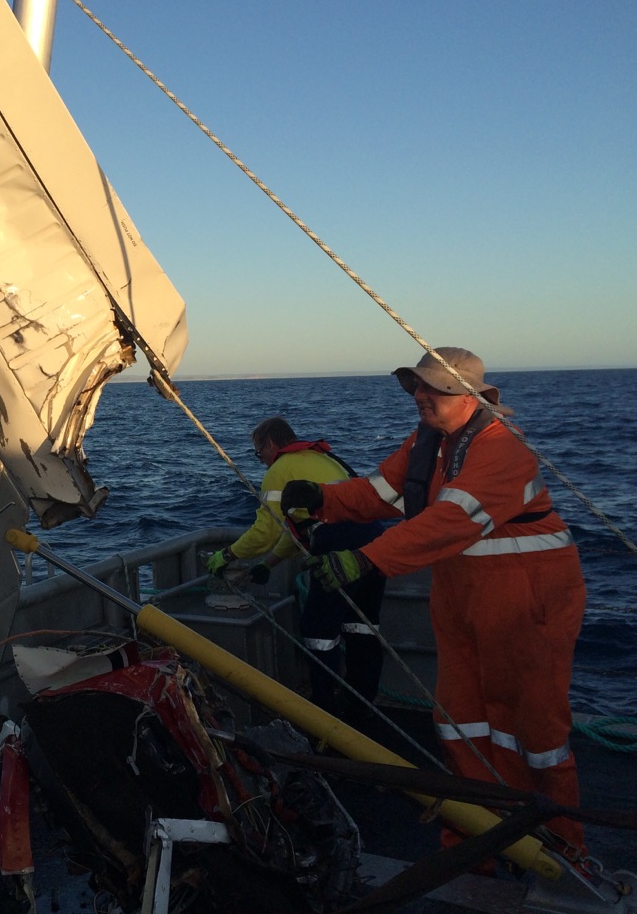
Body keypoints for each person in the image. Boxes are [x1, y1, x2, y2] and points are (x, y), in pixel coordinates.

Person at [281, 347, 586, 853]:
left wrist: (366, 559)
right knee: (459, 721)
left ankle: (561, 849)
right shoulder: (428, 444)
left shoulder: (502, 448)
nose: (421, 395)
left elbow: (450, 521)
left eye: (434, 388)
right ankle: (476, 844)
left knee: (533, 732)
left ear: (470, 397)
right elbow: (380, 494)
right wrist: (323, 499)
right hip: (460, 596)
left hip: (528, 598)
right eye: (417, 386)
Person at [205, 417, 387, 722]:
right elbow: (301, 529)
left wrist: (227, 554)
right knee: (362, 627)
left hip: (337, 547)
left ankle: (323, 715)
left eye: (258, 451)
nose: (260, 459)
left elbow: (267, 531)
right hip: (373, 545)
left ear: (271, 445)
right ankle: (361, 707)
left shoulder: (281, 469)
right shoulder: (323, 460)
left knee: (318, 631)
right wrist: (268, 564)